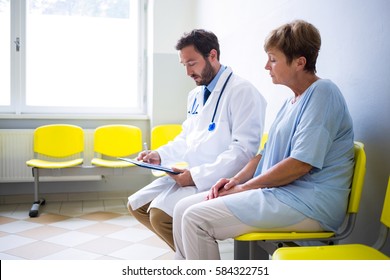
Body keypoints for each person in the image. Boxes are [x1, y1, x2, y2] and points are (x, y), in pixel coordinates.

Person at [173, 20, 355, 260]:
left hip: (310, 202)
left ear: (300, 62)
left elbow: (301, 163)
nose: (266, 66)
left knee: (196, 219)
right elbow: (263, 155)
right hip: (282, 193)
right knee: (181, 209)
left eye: (273, 59)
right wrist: (233, 181)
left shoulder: (323, 93)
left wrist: (244, 188)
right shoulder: (290, 102)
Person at [127, 29, 267, 251]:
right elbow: (186, 138)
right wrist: (159, 155)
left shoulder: (242, 92)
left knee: (159, 216)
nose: (188, 72)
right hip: (191, 174)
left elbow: (244, 152)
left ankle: (195, 261)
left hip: (218, 178)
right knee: (137, 205)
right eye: (184, 65)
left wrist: (196, 176)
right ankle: (193, 255)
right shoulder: (195, 95)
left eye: (192, 63)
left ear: (212, 55)